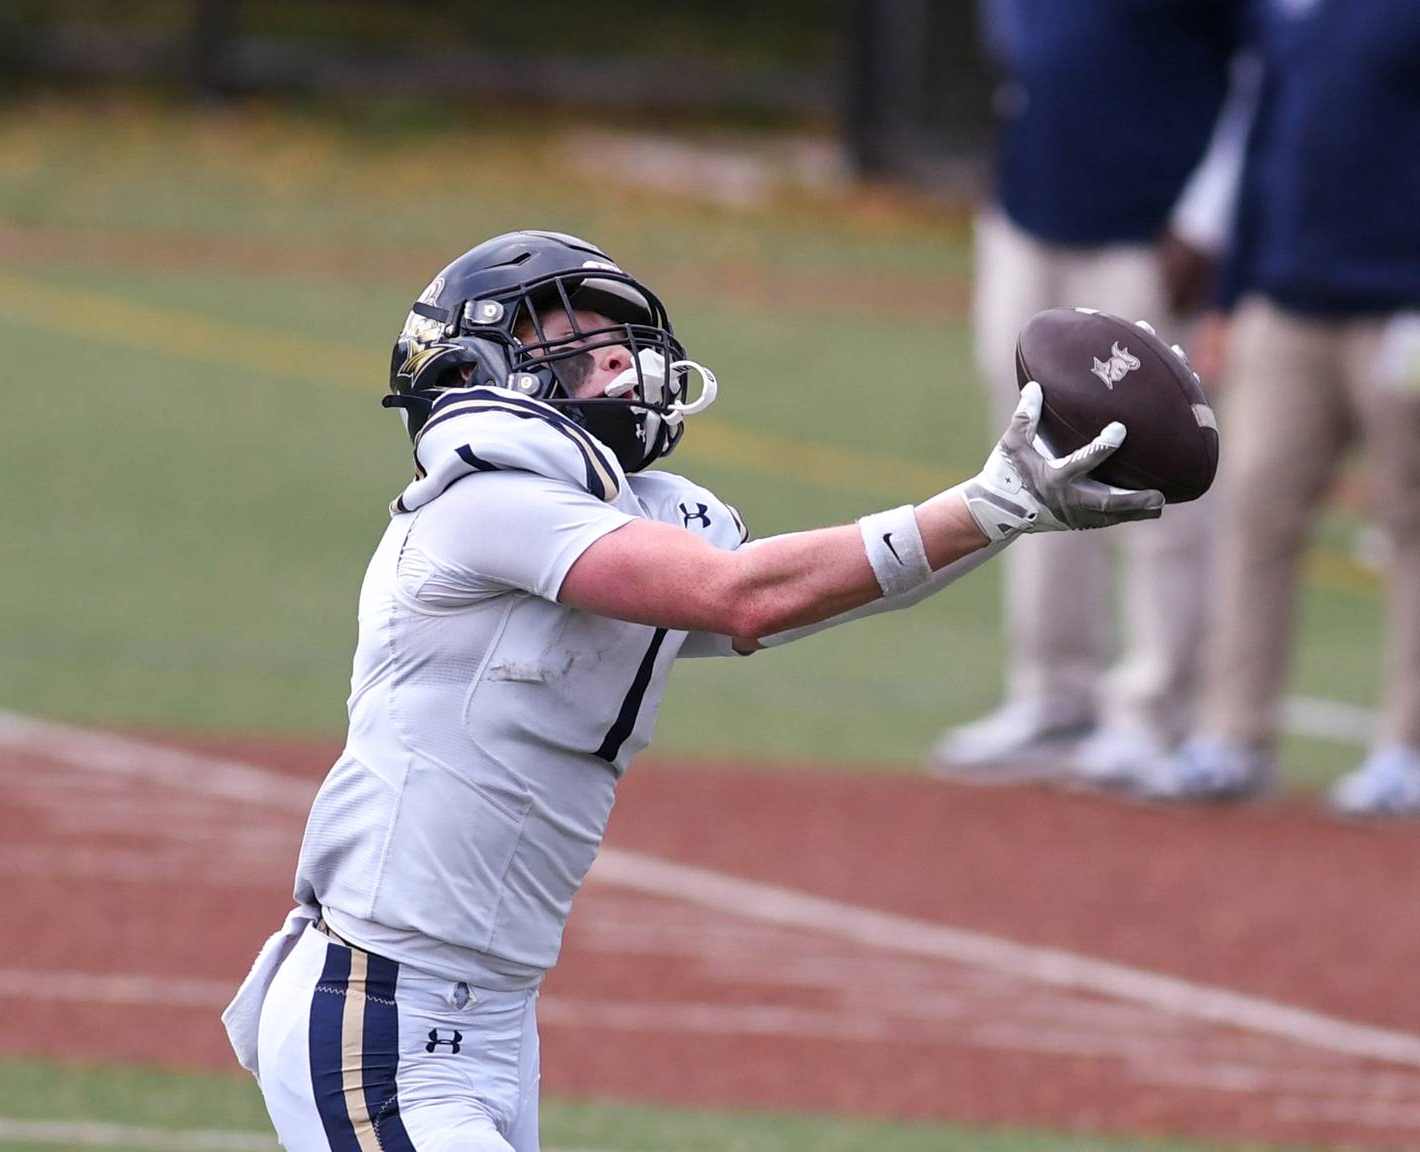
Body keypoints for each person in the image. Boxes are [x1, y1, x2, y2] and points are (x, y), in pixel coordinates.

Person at [220, 229, 1163, 1150]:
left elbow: (795, 601)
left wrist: (1005, 515)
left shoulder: (622, 514)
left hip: (491, 1016)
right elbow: (744, 596)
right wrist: (987, 503)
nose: (616, 360)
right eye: (572, 339)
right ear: (472, 369)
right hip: (383, 1012)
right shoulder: (480, 503)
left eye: (616, 338)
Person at [929, 0, 1249, 786]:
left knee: (1162, 468)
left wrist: (1207, 221)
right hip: (1027, 219)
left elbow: (1256, 76)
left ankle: (1156, 712)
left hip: (1149, 236)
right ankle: (1053, 694)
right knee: (1027, 461)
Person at [1128, 0, 1420, 813]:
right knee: (1255, 515)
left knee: (1412, 521)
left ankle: (1407, 749)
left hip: (1403, 311)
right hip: (1286, 302)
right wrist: (1229, 298)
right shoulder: (1287, 10)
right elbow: (1261, 141)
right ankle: (1234, 736)